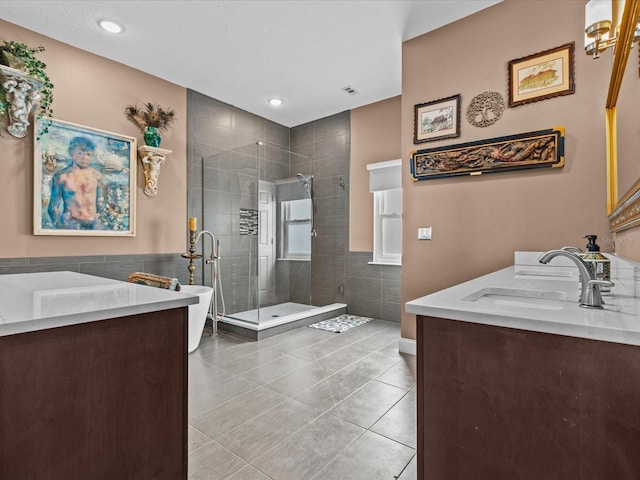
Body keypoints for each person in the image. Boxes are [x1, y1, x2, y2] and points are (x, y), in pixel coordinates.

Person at [48, 136, 103, 229]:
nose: (85, 158)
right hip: (70, 224)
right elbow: (53, 207)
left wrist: (99, 220)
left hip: (92, 223)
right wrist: (58, 226)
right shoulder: (62, 176)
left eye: (88, 154)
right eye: (80, 153)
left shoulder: (96, 175)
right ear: (71, 153)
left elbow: (99, 202)